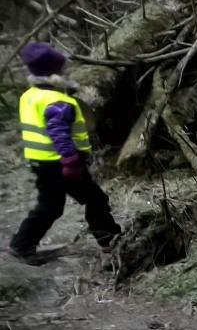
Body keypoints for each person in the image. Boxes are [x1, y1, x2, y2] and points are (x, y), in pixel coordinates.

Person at [8, 42, 121, 264]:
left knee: (50, 206)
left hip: (41, 162)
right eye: (62, 68)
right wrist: (71, 161)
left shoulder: (30, 96)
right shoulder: (58, 101)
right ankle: (111, 243)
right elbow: (58, 133)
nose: (66, 70)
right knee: (95, 200)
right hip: (62, 163)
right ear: (54, 72)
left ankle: (21, 245)